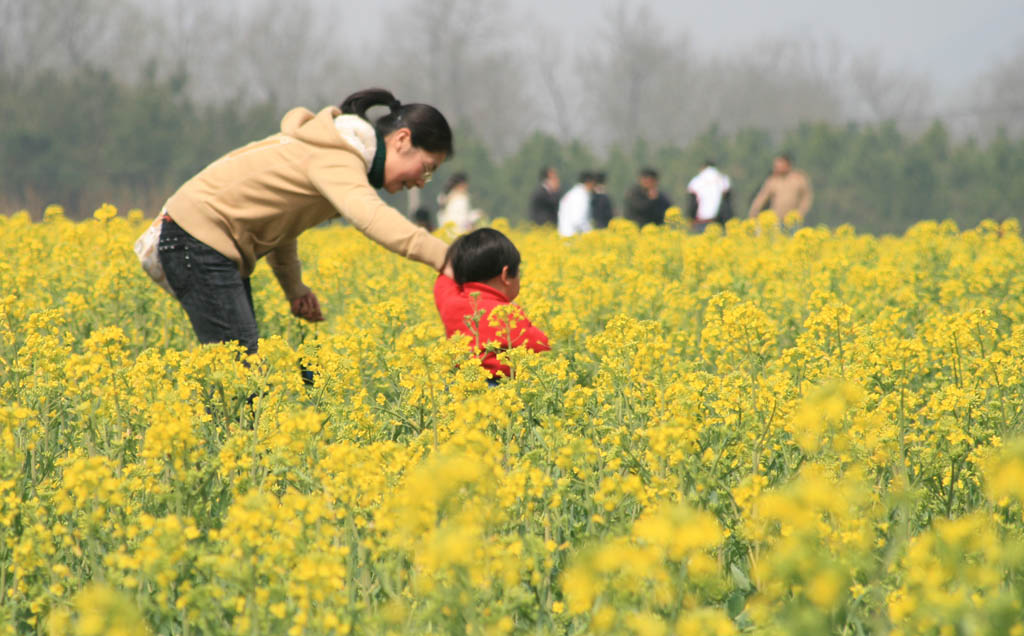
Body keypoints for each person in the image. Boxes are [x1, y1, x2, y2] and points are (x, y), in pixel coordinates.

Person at [154, 88, 453, 355]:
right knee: (239, 379)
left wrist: (294, 288)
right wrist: (449, 259)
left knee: (239, 376)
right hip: (199, 239)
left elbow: (282, 220)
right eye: (426, 169)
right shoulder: (338, 155)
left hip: (201, 241)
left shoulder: (337, 150)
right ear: (402, 140)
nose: (422, 183)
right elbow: (371, 216)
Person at [433, 228, 550, 381]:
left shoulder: (450, 302)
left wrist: (458, 265)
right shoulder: (507, 316)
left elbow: (444, 281)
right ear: (506, 275)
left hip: (459, 388)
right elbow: (543, 345)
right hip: (497, 390)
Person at [747, 153, 814, 223]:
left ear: (787, 164)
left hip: (794, 220)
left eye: (780, 165)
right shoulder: (773, 180)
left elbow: (807, 197)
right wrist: (753, 214)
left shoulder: (798, 178)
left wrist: (800, 213)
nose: (776, 167)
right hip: (777, 219)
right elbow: (761, 198)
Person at [686, 160, 733, 231]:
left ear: (703, 167)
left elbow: (692, 203)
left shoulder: (696, 180)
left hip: (701, 221)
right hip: (719, 221)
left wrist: (690, 219)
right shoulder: (723, 179)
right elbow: (727, 203)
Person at [558, 171, 596, 237]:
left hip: (564, 234)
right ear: (589, 182)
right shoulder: (582, 195)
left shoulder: (573, 193)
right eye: (594, 184)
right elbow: (578, 220)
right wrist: (590, 233)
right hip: (573, 236)